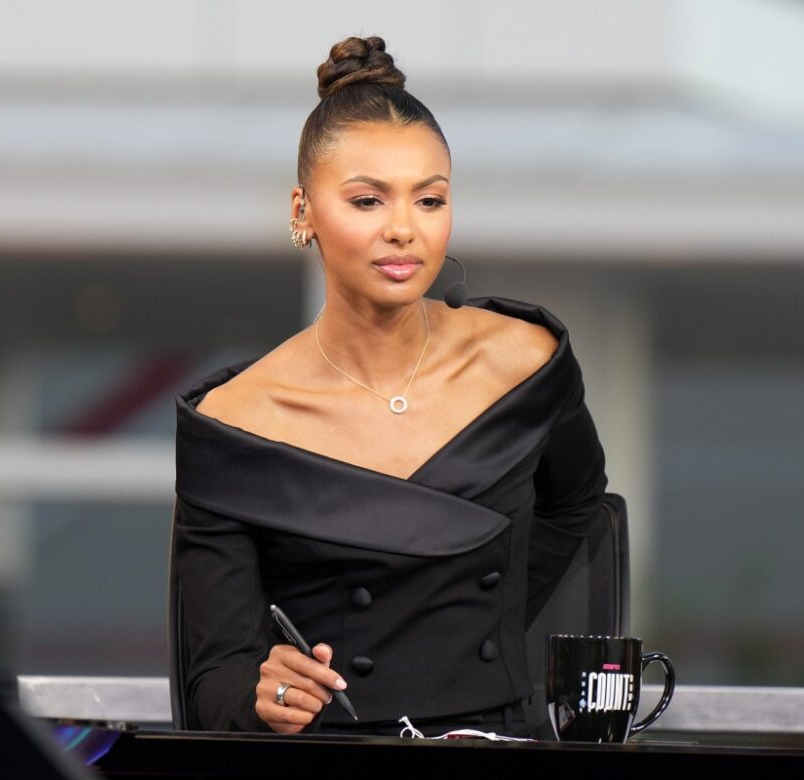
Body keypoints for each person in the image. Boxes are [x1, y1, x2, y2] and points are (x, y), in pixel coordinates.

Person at [172, 35, 610, 738]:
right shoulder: (235, 423)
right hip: (333, 749)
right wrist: (268, 695)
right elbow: (215, 677)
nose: (404, 229)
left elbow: (577, 502)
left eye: (429, 200)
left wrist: (480, 628)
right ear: (302, 211)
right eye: (368, 200)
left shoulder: (526, 361)